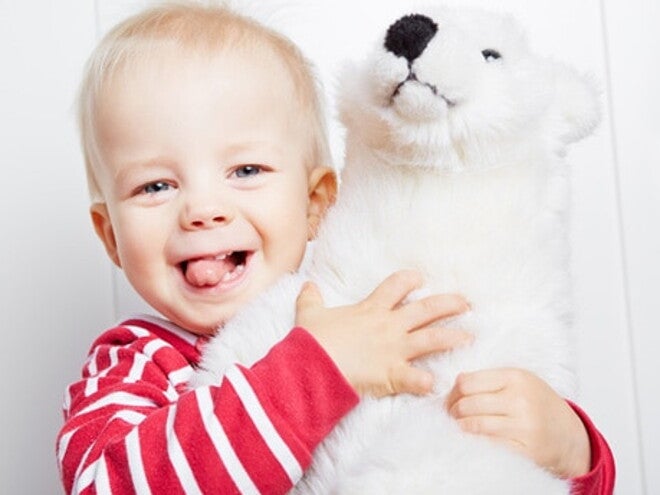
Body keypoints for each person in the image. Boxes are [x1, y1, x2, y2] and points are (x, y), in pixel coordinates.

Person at [56, 2, 615, 494]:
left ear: (317, 200)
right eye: (155, 186)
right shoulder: (133, 366)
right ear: (110, 235)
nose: (203, 209)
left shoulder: (372, 315)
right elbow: (104, 485)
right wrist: (317, 372)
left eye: (245, 169)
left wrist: (574, 452)